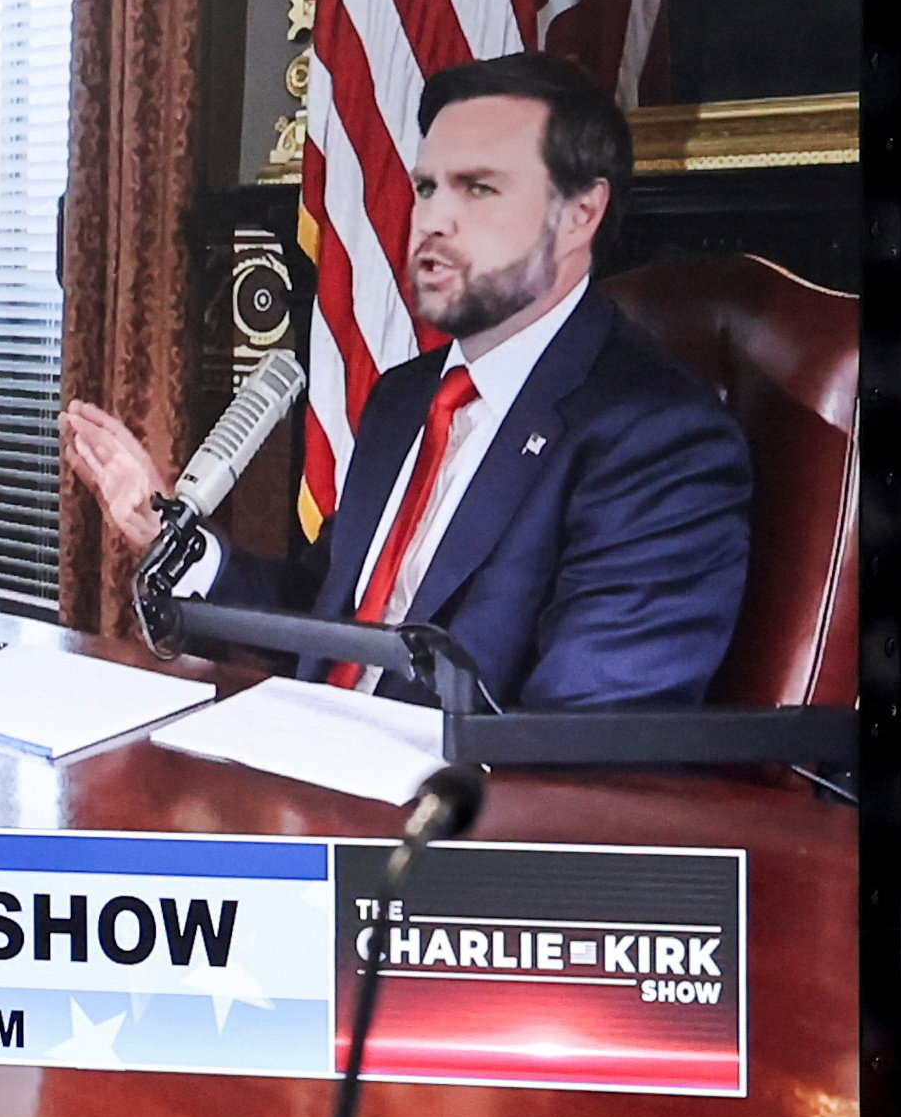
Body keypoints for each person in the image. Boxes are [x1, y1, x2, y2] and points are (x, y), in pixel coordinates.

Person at [63, 52, 753, 709]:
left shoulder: (660, 439)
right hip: (301, 765)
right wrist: (168, 540)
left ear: (580, 214)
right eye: (426, 187)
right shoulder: (406, 397)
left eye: (478, 189)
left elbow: (581, 742)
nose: (431, 220)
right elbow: (322, 614)